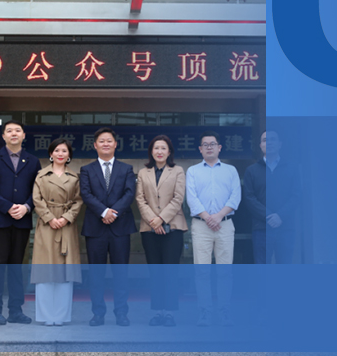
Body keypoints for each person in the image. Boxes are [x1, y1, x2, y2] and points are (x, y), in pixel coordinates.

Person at [0, 120, 41, 326]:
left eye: (17, 130)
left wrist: (27, 207)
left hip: (21, 221)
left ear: (24, 135)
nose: (13, 133)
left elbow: (38, 190)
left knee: (17, 268)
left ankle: (16, 311)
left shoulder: (32, 161)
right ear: (3, 136)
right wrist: (7, 206)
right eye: (9, 131)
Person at [80, 127, 137, 327]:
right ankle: (98, 314)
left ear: (115, 144)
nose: (106, 144)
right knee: (96, 275)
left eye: (109, 141)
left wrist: (114, 212)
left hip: (120, 228)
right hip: (95, 228)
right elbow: (86, 194)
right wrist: (104, 212)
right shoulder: (86, 169)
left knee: (121, 274)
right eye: (102, 141)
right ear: (95, 145)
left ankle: (121, 313)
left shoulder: (126, 168)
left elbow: (129, 193)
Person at [185, 130, 241, 327]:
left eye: (213, 144)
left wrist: (217, 216)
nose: (209, 147)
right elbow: (191, 198)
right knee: (202, 271)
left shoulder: (231, 170)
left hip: (224, 224)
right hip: (201, 226)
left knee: (225, 271)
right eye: (205, 145)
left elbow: (235, 197)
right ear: (200, 149)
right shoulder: (192, 171)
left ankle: (224, 311)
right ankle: (205, 312)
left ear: (220, 147)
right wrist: (208, 217)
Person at [31, 138, 83, 326]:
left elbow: (78, 200)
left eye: (64, 151)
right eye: (57, 150)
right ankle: (45, 316)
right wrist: (50, 218)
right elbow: (36, 199)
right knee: (45, 271)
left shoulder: (74, 177)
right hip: (47, 225)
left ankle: (61, 316)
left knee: (64, 272)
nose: (60, 154)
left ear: (69, 155)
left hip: (66, 226)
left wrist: (66, 218)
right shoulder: (41, 176)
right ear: (51, 154)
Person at [136, 134, 186, 327]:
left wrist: (161, 219)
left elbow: (178, 198)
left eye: (163, 148)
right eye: (156, 148)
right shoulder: (143, 173)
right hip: (149, 229)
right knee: (155, 272)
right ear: (151, 151)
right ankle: (158, 312)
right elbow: (140, 199)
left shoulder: (178, 171)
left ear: (169, 151)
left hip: (173, 227)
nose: (159, 151)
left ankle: (170, 313)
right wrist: (153, 222)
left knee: (170, 272)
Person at [243, 131, 301, 264]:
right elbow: (249, 198)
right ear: (260, 145)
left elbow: (296, 196)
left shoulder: (292, 168)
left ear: (280, 144)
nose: (269, 143)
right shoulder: (252, 170)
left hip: (285, 227)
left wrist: (280, 216)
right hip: (261, 228)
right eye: (265, 140)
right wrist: (268, 216)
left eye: (273, 140)